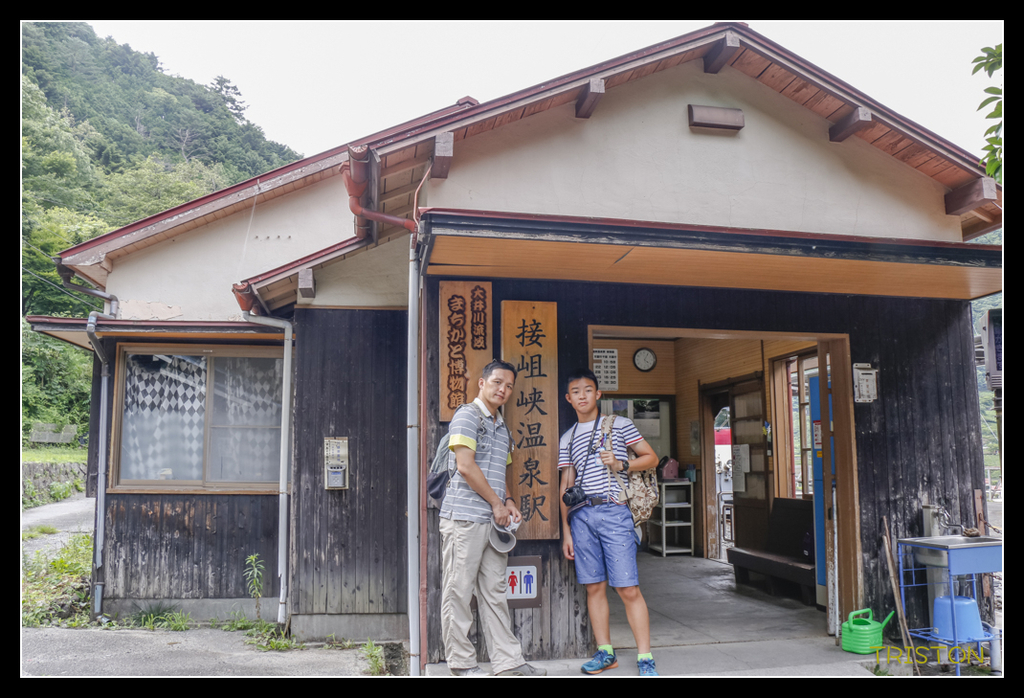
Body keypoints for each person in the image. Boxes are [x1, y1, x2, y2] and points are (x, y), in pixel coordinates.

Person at [439, 358, 547, 677]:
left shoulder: (502, 426)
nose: (504, 389)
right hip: (464, 518)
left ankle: (508, 662)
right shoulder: (467, 416)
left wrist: (508, 500)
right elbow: (465, 466)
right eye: (498, 382)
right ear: (482, 383)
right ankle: (461, 664)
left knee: (495, 592)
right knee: (458, 591)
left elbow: (503, 471)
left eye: (510, 385)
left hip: (492, 522)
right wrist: (497, 504)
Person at [558, 367, 660, 677]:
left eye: (588, 390)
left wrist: (621, 463)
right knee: (594, 587)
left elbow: (651, 457)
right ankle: (606, 653)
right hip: (581, 517)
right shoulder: (568, 437)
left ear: (598, 394)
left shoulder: (619, 425)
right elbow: (566, 485)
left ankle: (645, 658)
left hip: (615, 512)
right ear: (568, 399)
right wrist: (566, 532)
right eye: (576, 392)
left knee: (627, 588)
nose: (582, 396)